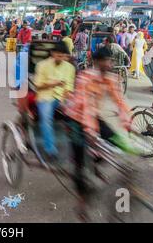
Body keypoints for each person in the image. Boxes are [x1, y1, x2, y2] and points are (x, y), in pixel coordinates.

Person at [63, 47, 135, 220]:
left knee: (115, 142)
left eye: (110, 60)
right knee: (79, 163)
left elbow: (120, 101)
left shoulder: (111, 79)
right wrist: (90, 132)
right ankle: (81, 202)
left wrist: (127, 122)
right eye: (105, 60)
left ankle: (96, 163)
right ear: (96, 62)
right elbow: (86, 106)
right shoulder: (84, 78)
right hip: (76, 118)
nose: (109, 63)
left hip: (94, 117)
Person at [34, 42, 75, 160]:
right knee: (46, 118)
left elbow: (69, 88)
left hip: (62, 97)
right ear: (52, 53)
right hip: (45, 96)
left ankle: (78, 148)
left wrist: (65, 100)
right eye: (58, 55)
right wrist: (53, 83)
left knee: (78, 115)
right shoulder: (42, 65)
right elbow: (38, 85)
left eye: (63, 56)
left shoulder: (69, 68)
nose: (60, 58)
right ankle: (50, 149)